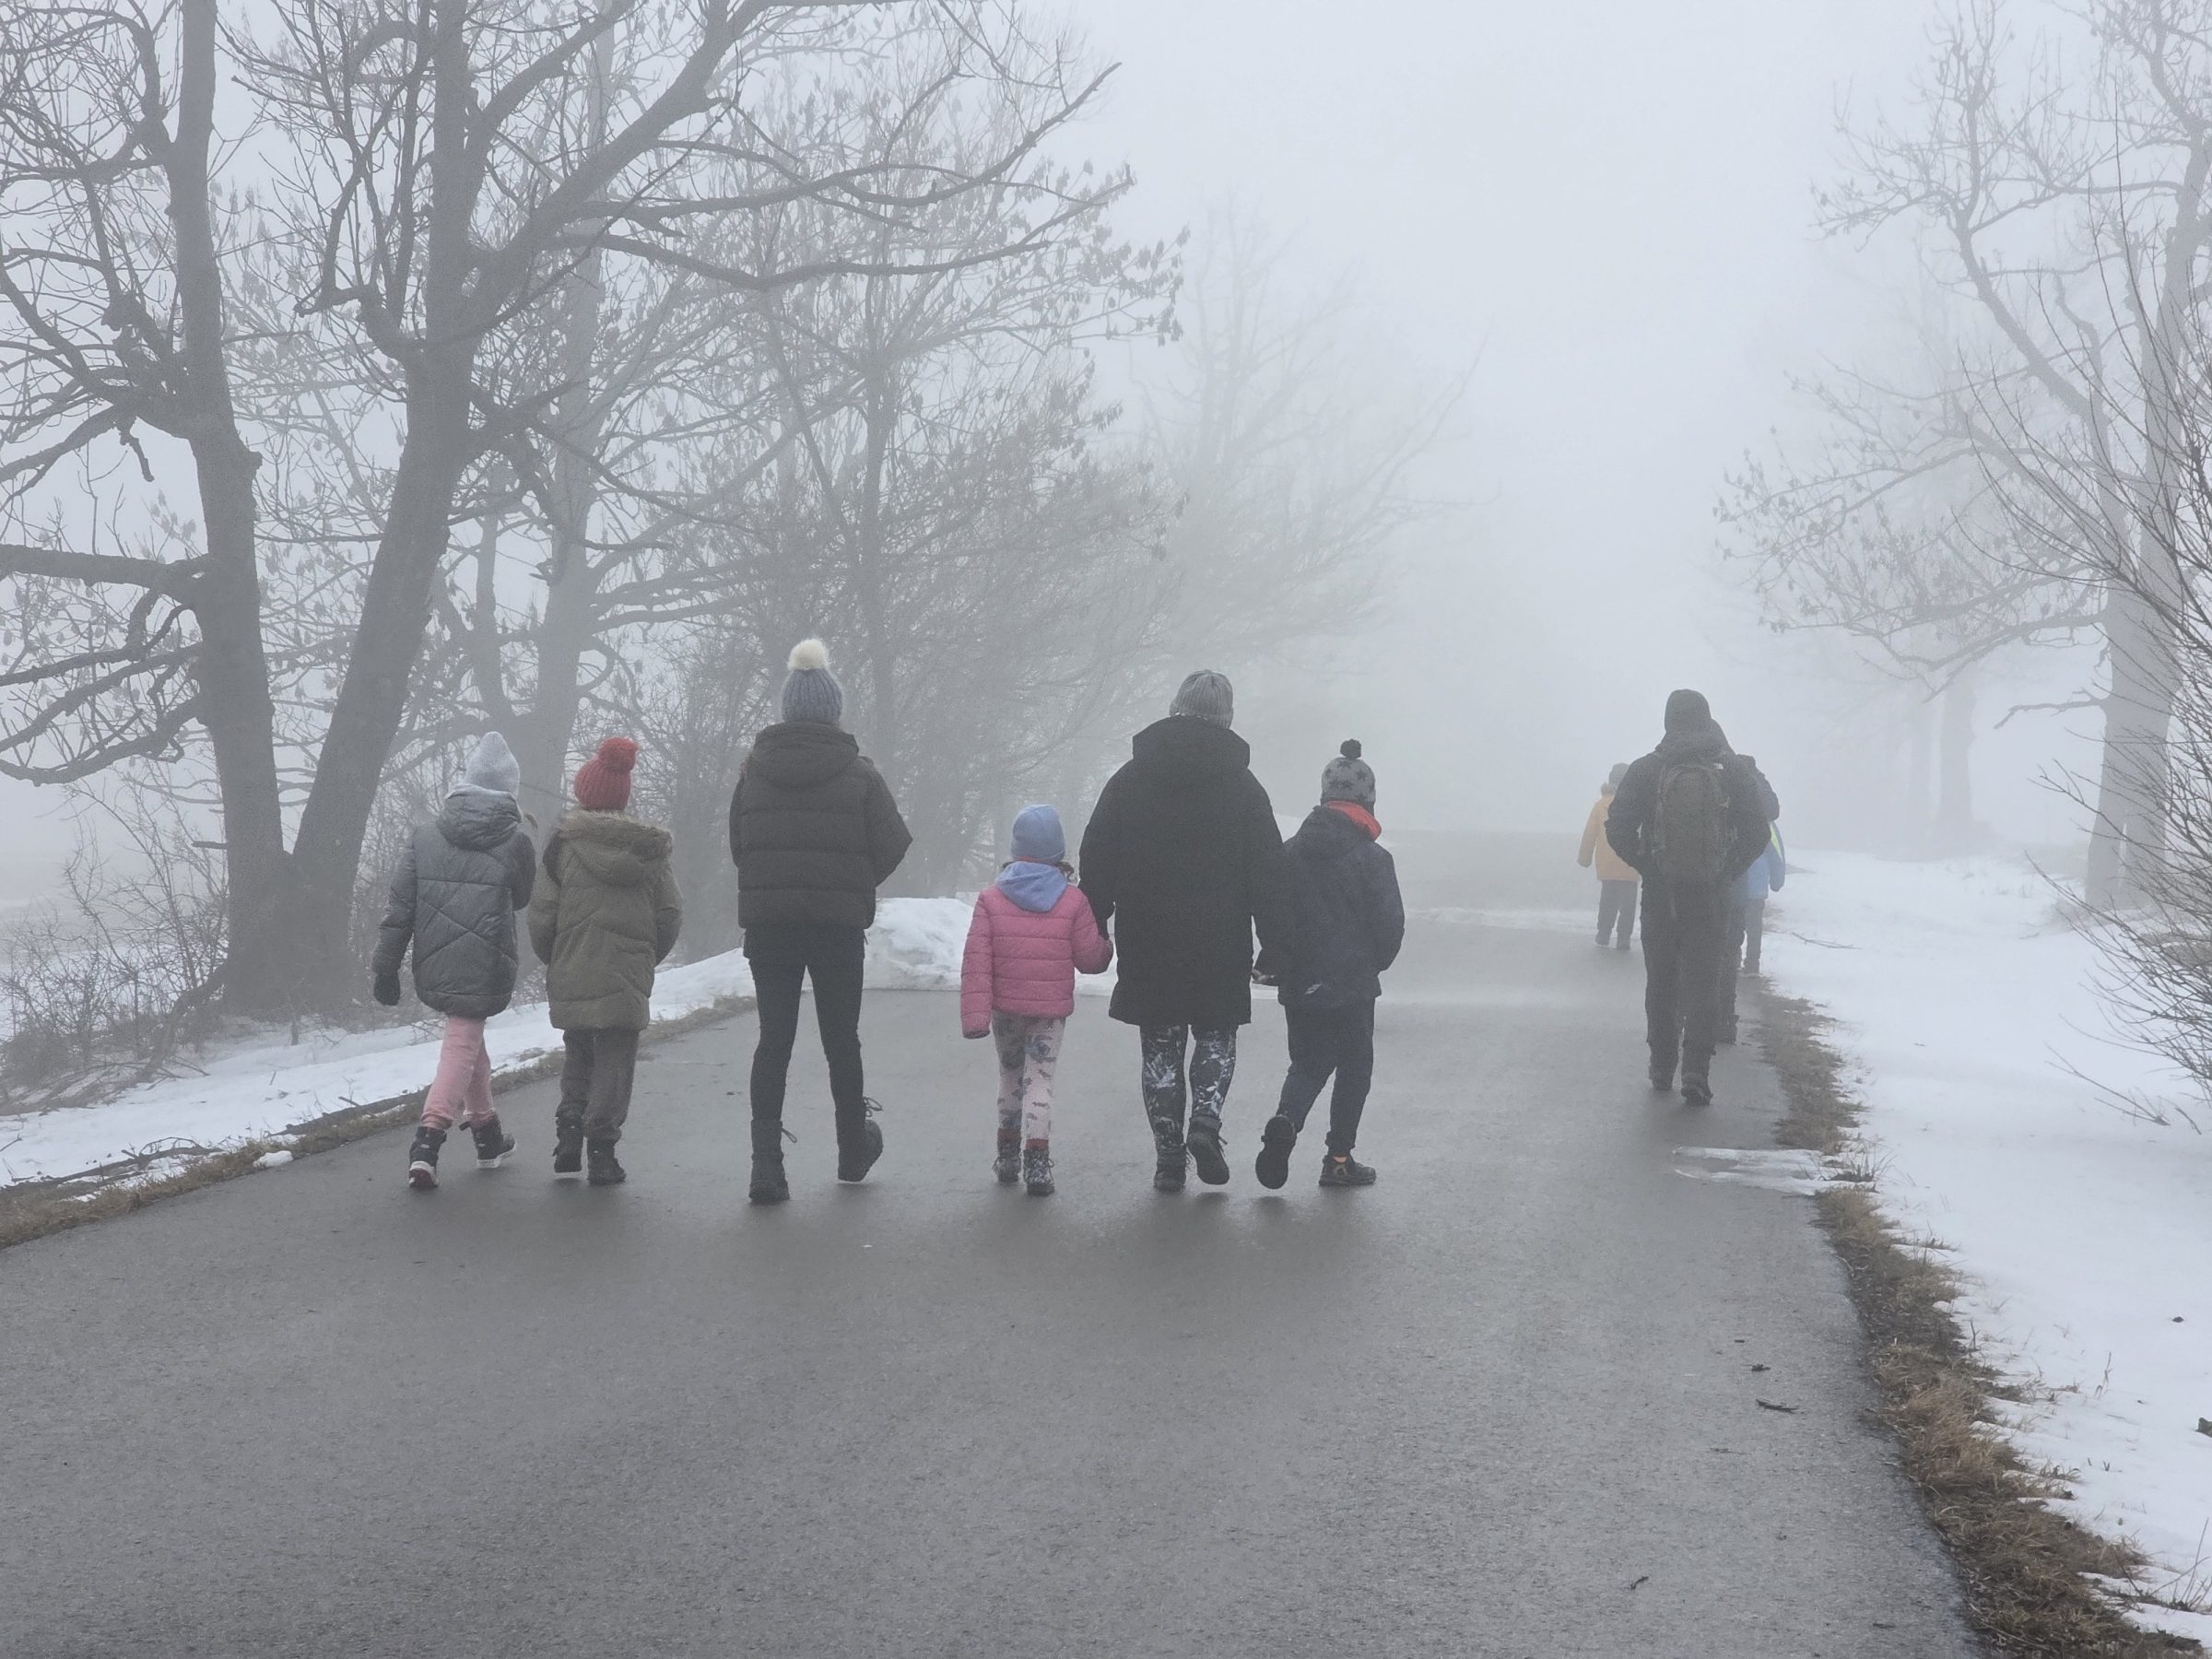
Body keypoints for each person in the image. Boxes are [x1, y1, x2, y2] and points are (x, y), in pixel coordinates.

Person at [1079, 669, 1286, 1192]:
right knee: (1216, 1033)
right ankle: (1205, 1123)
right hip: (1220, 936)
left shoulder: (1130, 779)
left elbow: (1098, 852)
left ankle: (1169, 1159)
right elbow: (1268, 870)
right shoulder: (1244, 788)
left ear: (1174, 708)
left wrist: (1093, 917)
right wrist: (1275, 943)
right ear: (1227, 718)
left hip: (1148, 934)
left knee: (1161, 1044)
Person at [728, 639, 912, 1205]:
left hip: (770, 927)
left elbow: (740, 847)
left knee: (773, 1041)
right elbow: (893, 843)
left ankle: (766, 1165)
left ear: (787, 710)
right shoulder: (860, 775)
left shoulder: (753, 774)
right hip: (837, 927)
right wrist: (854, 881)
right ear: (834, 712)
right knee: (841, 1040)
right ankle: (852, 1148)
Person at [375, 733, 537, 1192]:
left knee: (467, 1040)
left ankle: (487, 1135)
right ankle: (427, 1140)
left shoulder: (424, 837)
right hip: (486, 959)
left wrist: (385, 966)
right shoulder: (516, 842)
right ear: (509, 789)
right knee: (462, 1042)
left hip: (435, 958)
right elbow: (522, 899)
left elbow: (400, 908)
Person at [527, 735, 682, 1187]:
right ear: (623, 798)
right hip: (626, 969)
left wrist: (557, 956)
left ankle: (569, 1130)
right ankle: (602, 1150)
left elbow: (542, 915)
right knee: (616, 1056)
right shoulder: (649, 852)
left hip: (573, 963)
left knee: (579, 1048)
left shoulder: (561, 849)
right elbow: (669, 914)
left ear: (583, 794)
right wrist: (646, 956)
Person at [1605, 690, 1773, 1105]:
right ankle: (1696, 1070)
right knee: (1704, 981)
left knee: (1662, 980)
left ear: (1669, 721)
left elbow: (1617, 827)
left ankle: (1662, 1064)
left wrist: (1648, 865)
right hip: (1712, 896)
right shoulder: (1732, 770)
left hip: (1661, 896)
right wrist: (1727, 871)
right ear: (1706, 718)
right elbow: (1758, 830)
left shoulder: (1647, 769)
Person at [1253, 741, 1406, 1191]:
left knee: (1307, 1062)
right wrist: (1373, 963)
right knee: (1355, 1067)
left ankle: (1286, 1119)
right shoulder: (1374, 859)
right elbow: (1390, 925)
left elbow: (1271, 914)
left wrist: (1281, 960)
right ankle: (1338, 1160)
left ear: (1324, 797)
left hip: (1300, 979)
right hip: (1353, 983)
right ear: (1368, 801)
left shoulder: (1288, 853)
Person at [959, 805, 1114, 1196]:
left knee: (1010, 1075)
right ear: (1058, 850)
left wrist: (975, 1017)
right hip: (1049, 1013)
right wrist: (1107, 948)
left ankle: (1007, 1157)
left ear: (1016, 848)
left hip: (1005, 1010)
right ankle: (1038, 1163)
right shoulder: (1073, 901)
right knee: (1040, 1079)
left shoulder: (991, 899)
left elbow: (976, 961)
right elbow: (1089, 959)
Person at [1717, 754, 1784, 1043]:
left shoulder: (1723, 791)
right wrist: (1776, 879)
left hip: (1724, 881)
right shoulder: (1762, 812)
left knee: (1723, 934)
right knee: (1748, 929)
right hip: (1748, 886)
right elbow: (1774, 849)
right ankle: (1750, 964)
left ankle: (1733, 964)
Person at [1578, 762, 1638, 949]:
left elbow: (1590, 834)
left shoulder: (1600, 805)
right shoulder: (1637, 804)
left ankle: (1603, 933)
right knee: (1628, 905)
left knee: (1608, 900)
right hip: (1631, 863)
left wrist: (1585, 858)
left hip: (1607, 864)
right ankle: (1624, 938)